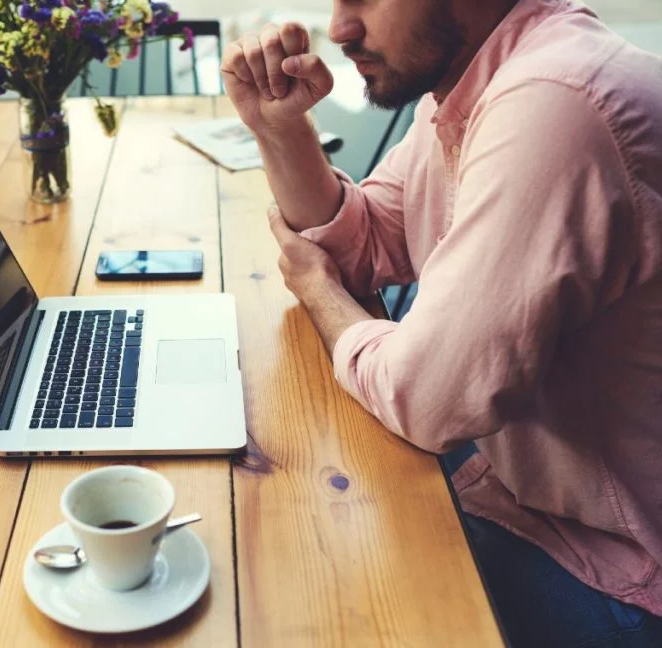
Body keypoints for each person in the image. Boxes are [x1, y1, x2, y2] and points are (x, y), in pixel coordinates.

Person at [221, 0, 662, 645]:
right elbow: (369, 247)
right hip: (514, 485)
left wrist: (317, 292)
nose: (340, 29)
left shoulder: (555, 106)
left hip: (611, 565)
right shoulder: (465, 86)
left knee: (295, 597)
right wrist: (281, 130)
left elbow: (427, 401)